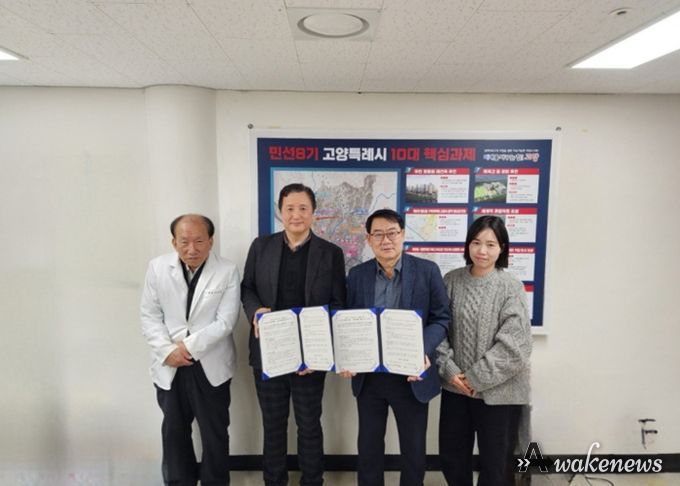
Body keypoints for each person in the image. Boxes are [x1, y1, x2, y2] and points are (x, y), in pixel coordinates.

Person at [241, 183, 346, 486]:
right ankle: (274, 481)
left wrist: (320, 348)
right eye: (289, 208)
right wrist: (255, 311)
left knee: (309, 424)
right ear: (280, 212)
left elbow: (338, 303)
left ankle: (312, 481)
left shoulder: (331, 253)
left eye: (303, 208)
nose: (296, 215)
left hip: (310, 356)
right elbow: (247, 288)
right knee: (273, 425)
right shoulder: (261, 247)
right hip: (269, 351)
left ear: (314, 213)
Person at [343, 208, 449, 486]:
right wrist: (346, 356)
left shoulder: (427, 271)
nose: (386, 240)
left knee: (413, 450)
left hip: (411, 376)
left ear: (402, 235)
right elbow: (348, 321)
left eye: (392, 233)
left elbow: (441, 319)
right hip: (370, 377)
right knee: (368, 448)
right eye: (378, 234)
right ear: (368, 239)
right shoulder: (357, 275)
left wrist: (421, 350)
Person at [140, 214, 241, 486]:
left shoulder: (227, 270)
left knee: (214, 433)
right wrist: (167, 351)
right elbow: (149, 315)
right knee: (174, 432)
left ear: (211, 241)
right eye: (184, 242)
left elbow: (226, 321)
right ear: (174, 242)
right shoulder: (157, 268)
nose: (192, 249)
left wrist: (187, 347)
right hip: (169, 363)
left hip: (210, 364)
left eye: (199, 241)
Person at [436, 215, 532, 486]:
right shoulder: (451, 280)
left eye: (491, 244)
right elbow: (438, 329)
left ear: (502, 248)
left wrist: (475, 378)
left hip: (500, 392)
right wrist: (450, 371)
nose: (482, 250)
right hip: (456, 387)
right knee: (452, 457)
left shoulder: (510, 286)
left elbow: (516, 345)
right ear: (468, 244)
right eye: (476, 242)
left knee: (496, 464)